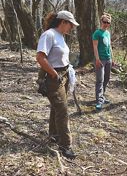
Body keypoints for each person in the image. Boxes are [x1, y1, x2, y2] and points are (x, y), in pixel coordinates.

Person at [36, 10, 79, 159]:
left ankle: (54, 135)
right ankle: (65, 146)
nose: (72, 28)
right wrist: (54, 74)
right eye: (71, 25)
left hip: (64, 75)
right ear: (63, 22)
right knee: (63, 110)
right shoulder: (49, 35)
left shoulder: (61, 36)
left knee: (57, 108)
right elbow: (40, 57)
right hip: (54, 77)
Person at [92, 13, 113, 111]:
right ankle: (99, 101)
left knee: (107, 78)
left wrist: (112, 58)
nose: (106, 24)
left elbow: (109, 46)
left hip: (108, 59)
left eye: (108, 22)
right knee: (100, 80)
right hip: (100, 59)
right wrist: (97, 59)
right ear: (101, 21)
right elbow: (95, 47)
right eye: (104, 22)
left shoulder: (108, 33)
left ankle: (102, 96)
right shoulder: (97, 33)